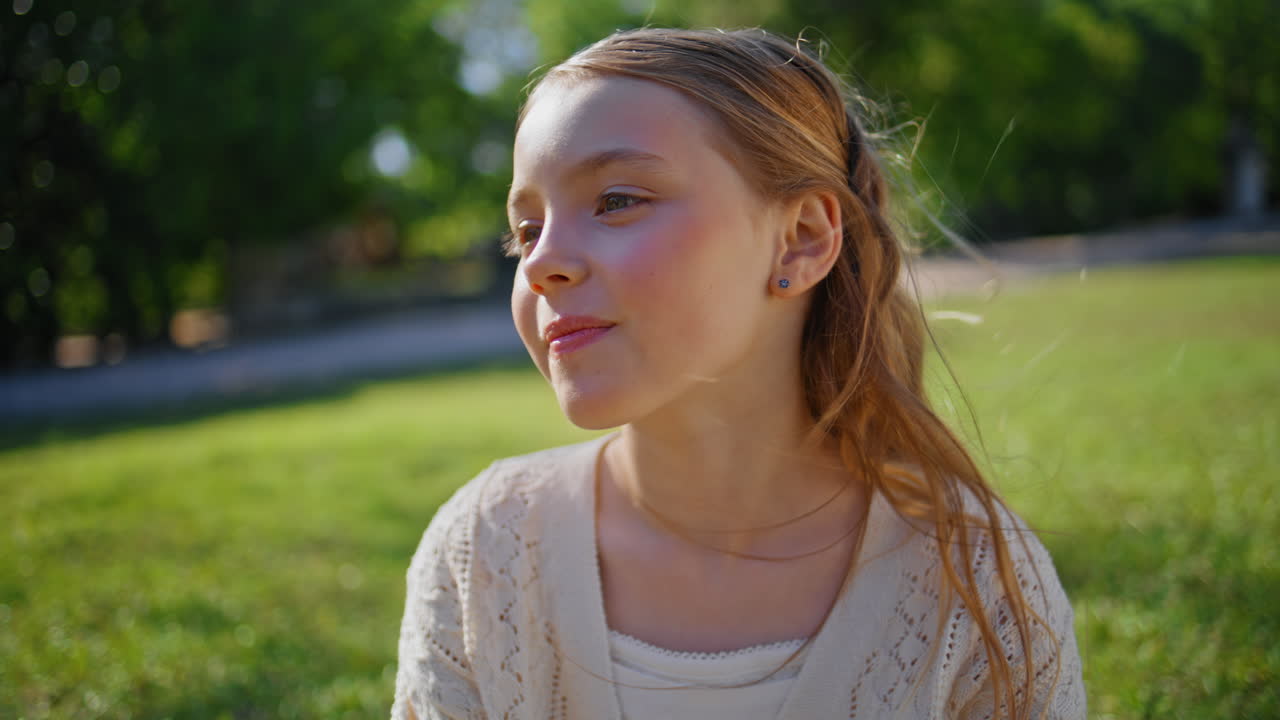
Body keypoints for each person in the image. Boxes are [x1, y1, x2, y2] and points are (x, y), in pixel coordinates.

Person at [392, 27, 1084, 720]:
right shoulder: (485, 550)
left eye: (616, 200)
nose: (541, 263)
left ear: (803, 238)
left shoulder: (976, 583)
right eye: (525, 230)